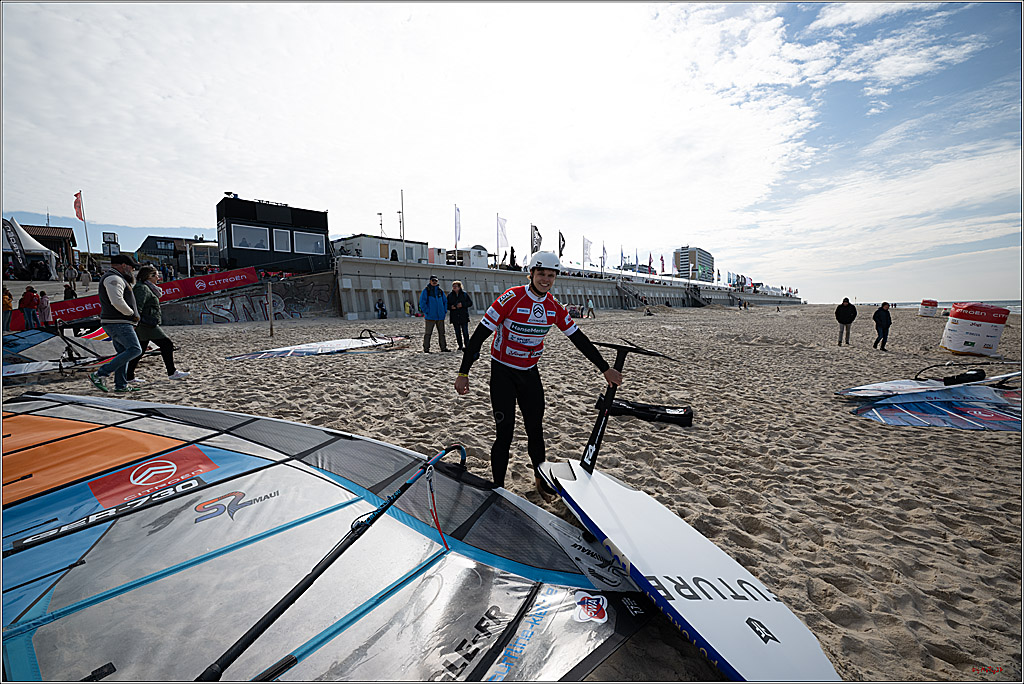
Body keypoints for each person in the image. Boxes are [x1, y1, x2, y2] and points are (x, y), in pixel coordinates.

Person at [453, 252, 623, 500]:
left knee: (536, 429)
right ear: (531, 274)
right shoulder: (510, 298)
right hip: (502, 373)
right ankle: (498, 488)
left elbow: (578, 339)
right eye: (541, 274)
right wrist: (463, 372)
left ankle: (540, 481)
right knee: (505, 433)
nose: (546, 279)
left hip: (529, 374)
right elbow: (478, 338)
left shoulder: (553, 307)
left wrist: (604, 368)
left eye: (551, 275)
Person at [125, 265, 189, 384]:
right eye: (157, 276)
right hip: (146, 324)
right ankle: (172, 372)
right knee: (167, 344)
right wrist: (135, 321)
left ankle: (129, 376)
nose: (158, 278)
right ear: (150, 276)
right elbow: (137, 306)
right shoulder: (142, 288)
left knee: (140, 350)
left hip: (145, 323)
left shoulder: (146, 287)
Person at [89, 254, 143, 393]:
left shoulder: (116, 278)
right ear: (124, 265)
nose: (132, 271)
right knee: (135, 349)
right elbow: (117, 301)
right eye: (131, 267)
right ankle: (100, 374)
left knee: (123, 353)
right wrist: (132, 314)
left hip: (116, 322)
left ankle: (121, 385)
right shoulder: (114, 278)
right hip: (118, 322)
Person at [419, 275, 449, 352]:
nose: (434, 282)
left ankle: (443, 348)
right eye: (433, 280)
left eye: (436, 281)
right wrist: (427, 312)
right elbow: (422, 303)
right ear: (430, 281)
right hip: (430, 316)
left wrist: (444, 311)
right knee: (428, 333)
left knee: (442, 333)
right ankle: (426, 349)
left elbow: (445, 302)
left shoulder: (440, 291)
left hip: (440, 316)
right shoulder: (426, 291)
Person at [447, 280, 473, 351]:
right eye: (453, 286)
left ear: (459, 287)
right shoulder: (450, 295)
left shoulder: (464, 294)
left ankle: (467, 345)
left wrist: (462, 305)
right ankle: (460, 346)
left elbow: (470, 303)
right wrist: (451, 307)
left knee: (465, 332)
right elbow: (446, 305)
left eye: (456, 286)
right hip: (455, 316)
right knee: (457, 333)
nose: (454, 287)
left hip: (463, 316)